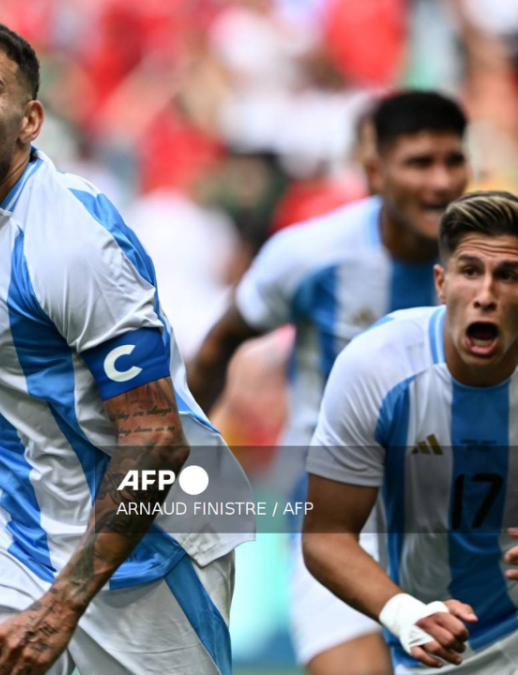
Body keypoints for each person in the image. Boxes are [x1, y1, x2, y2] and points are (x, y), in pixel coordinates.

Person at [0, 16, 253, 675]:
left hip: (150, 558)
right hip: (11, 544)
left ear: (30, 119)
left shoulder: (74, 243)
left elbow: (157, 439)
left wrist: (63, 605)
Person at [188, 90, 470, 675]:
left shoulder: (492, 259)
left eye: (453, 161)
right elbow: (219, 344)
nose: (440, 182)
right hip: (339, 522)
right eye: (420, 163)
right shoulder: (312, 255)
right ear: (374, 172)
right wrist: (175, 458)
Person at [303, 190, 518, 673]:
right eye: (470, 271)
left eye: (508, 276)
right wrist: (403, 612)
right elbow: (325, 534)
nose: (485, 294)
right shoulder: (377, 367)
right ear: (441, 283)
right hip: (441, 638)